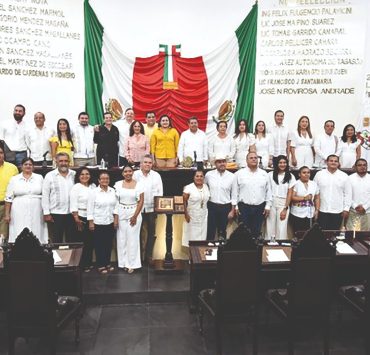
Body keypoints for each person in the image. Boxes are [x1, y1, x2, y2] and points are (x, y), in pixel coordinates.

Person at [4, 158, 47, 243]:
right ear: (21, 167)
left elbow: (45, 194)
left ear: (33, 167)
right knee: (19, 228)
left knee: (36, 229)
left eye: (30, 164)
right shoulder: (14, 179)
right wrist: (7, 214)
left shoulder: (39, 178)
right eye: (25, 164)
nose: (28, 166)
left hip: (36, 209)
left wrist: (45, 211)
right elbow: (8, 198)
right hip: (18, 209)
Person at [133, 154, 163, 264]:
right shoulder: (134, 175)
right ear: (141, 163)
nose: (147, 164)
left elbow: (160, 193)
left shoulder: (156, 176)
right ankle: (138, 257)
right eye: (145, 162)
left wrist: (157, 208)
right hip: (137, 209)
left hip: (151, 209)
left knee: (151, 233)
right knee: (137, 233)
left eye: (150, 163)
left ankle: (149, 256)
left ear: (152, 164)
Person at [233, 152, 272, 237]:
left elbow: (268, 191)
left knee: (256, 232)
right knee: (243, 232)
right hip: (243, 207)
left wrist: (268, 205)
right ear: (246, 161)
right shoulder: (239, 174)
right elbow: (235, 192)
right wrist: (235, 206)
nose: (254, 159)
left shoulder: (264, 174)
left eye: (255, 157)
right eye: (251, 158)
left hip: (259, 207)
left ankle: (256, 250)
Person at [115, 165, 144, 273]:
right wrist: (116, 217)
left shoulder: (139, 184)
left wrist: (135, 216)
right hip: (121, 211)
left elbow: (141, 201)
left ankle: (132, 264)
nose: (128, 173)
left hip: (134, 212)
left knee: (132, 239)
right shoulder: (118, 184)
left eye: (130, 171)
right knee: (121, 239)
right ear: (122, 173)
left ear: (133, 172)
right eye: (125, 171)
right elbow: (116, 202)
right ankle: (122, 263)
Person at [87, 171, 118, 274]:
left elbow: (116, 207)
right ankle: (100, 265)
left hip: (110, 221)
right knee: (99, 245)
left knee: (108, 244)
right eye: (103, 179)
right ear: (99, 180)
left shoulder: (112, 191)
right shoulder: (93, 192)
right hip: (98, 222)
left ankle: (107, 263)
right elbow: (90, 208)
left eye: (107, 178)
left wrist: (115, 220)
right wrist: (91, 222)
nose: (105, 180)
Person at [42, 152, 76, 243]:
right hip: (55, 214)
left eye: (65, 161)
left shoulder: (74, 175)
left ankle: (70, 258)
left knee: (71, 241)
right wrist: (46, 213)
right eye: (61, 161)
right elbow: (45, 195)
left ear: (69, 162)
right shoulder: (49, 176)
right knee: (56, 241)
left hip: (71, 214)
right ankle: (56, 258)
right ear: (56, 162)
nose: (63, 163)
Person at [314, 154, 351, 230]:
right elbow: (314, 191)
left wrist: (346, 209)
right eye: (331, 161)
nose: (333, 162)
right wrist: (315, 209)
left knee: (335, 234)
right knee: (321, 234)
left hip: (337, 211)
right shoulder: (319, 174)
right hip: (322, 210)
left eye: (335, 161)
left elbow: (348, 194)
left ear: (338, 163)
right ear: (326, 162)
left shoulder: (344, 176)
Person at [70, 167, 96, 271]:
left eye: (87, 174)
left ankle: (89, 263)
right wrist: (76, 219)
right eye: (82, 174)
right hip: (80, 217)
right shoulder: (76, 187)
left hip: (92, 217)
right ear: (78, 176)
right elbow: (73, 204)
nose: (85, 176)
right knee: (81, 242)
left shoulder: (93, 186)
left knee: (90, 242)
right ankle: (81, 265)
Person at [205, 155, 236, 240]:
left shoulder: (232, 176)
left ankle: (221, 252)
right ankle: (208, 251)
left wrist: (232, 211)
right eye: (219, 162)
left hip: (225, 207)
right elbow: (204, 188)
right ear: (215, 163)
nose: (222, 164)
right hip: (211, 206)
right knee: (210, 231)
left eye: (223, 161)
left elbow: (234, 195)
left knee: (222, 233)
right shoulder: (208, 175)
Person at [266, 155, 295, 240]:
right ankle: (268, 245)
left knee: (281, 227)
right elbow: (267, 191)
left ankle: (281, 246)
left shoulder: (290, 176)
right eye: (280, 163)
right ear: (276, 163)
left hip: (283, 203)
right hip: (271, 202)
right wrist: (267, 205)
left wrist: (285, 208)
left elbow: (290, 193)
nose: (282, 164)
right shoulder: (270, 175)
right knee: (270, 226)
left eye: (284, 163)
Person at [182, 169, 210, 247]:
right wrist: (186, 214)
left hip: (204, 216)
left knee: (202, 238)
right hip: (192, 216)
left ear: (204, 177)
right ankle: (192, 258)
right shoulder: (188, 188)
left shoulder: (206, 186)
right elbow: (183, 201)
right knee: (192, 238)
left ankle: (200, 257)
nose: (199, 178)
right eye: (197, 176)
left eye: (201, 176)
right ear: (194, 177)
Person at [290, 166, 320, 233]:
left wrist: (317, 210)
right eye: (304, 173)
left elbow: (317, 198)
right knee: (298, 233)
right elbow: (292, 197)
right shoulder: (295, 183)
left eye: (308, 172)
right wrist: (304, 198)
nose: (306, 174)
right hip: (297, 212)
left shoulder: (314, 184)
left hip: (310, 212)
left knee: (308, 233)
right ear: (299, 174)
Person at [0, 145, 19, 240]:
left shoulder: (12, 168)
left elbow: (17, 187)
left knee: (3, 236)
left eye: (1, 153)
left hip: (6, 205)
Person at [346, 159, 370, 230]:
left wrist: (365, 207)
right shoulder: (350, 178)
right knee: (351, 236)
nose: (362, 167)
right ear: (355, 167)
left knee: (366, 237)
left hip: (368, 212)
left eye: (364, 165)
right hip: (353, 211)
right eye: (359, 165)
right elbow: (347, 195)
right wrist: (355, 206)